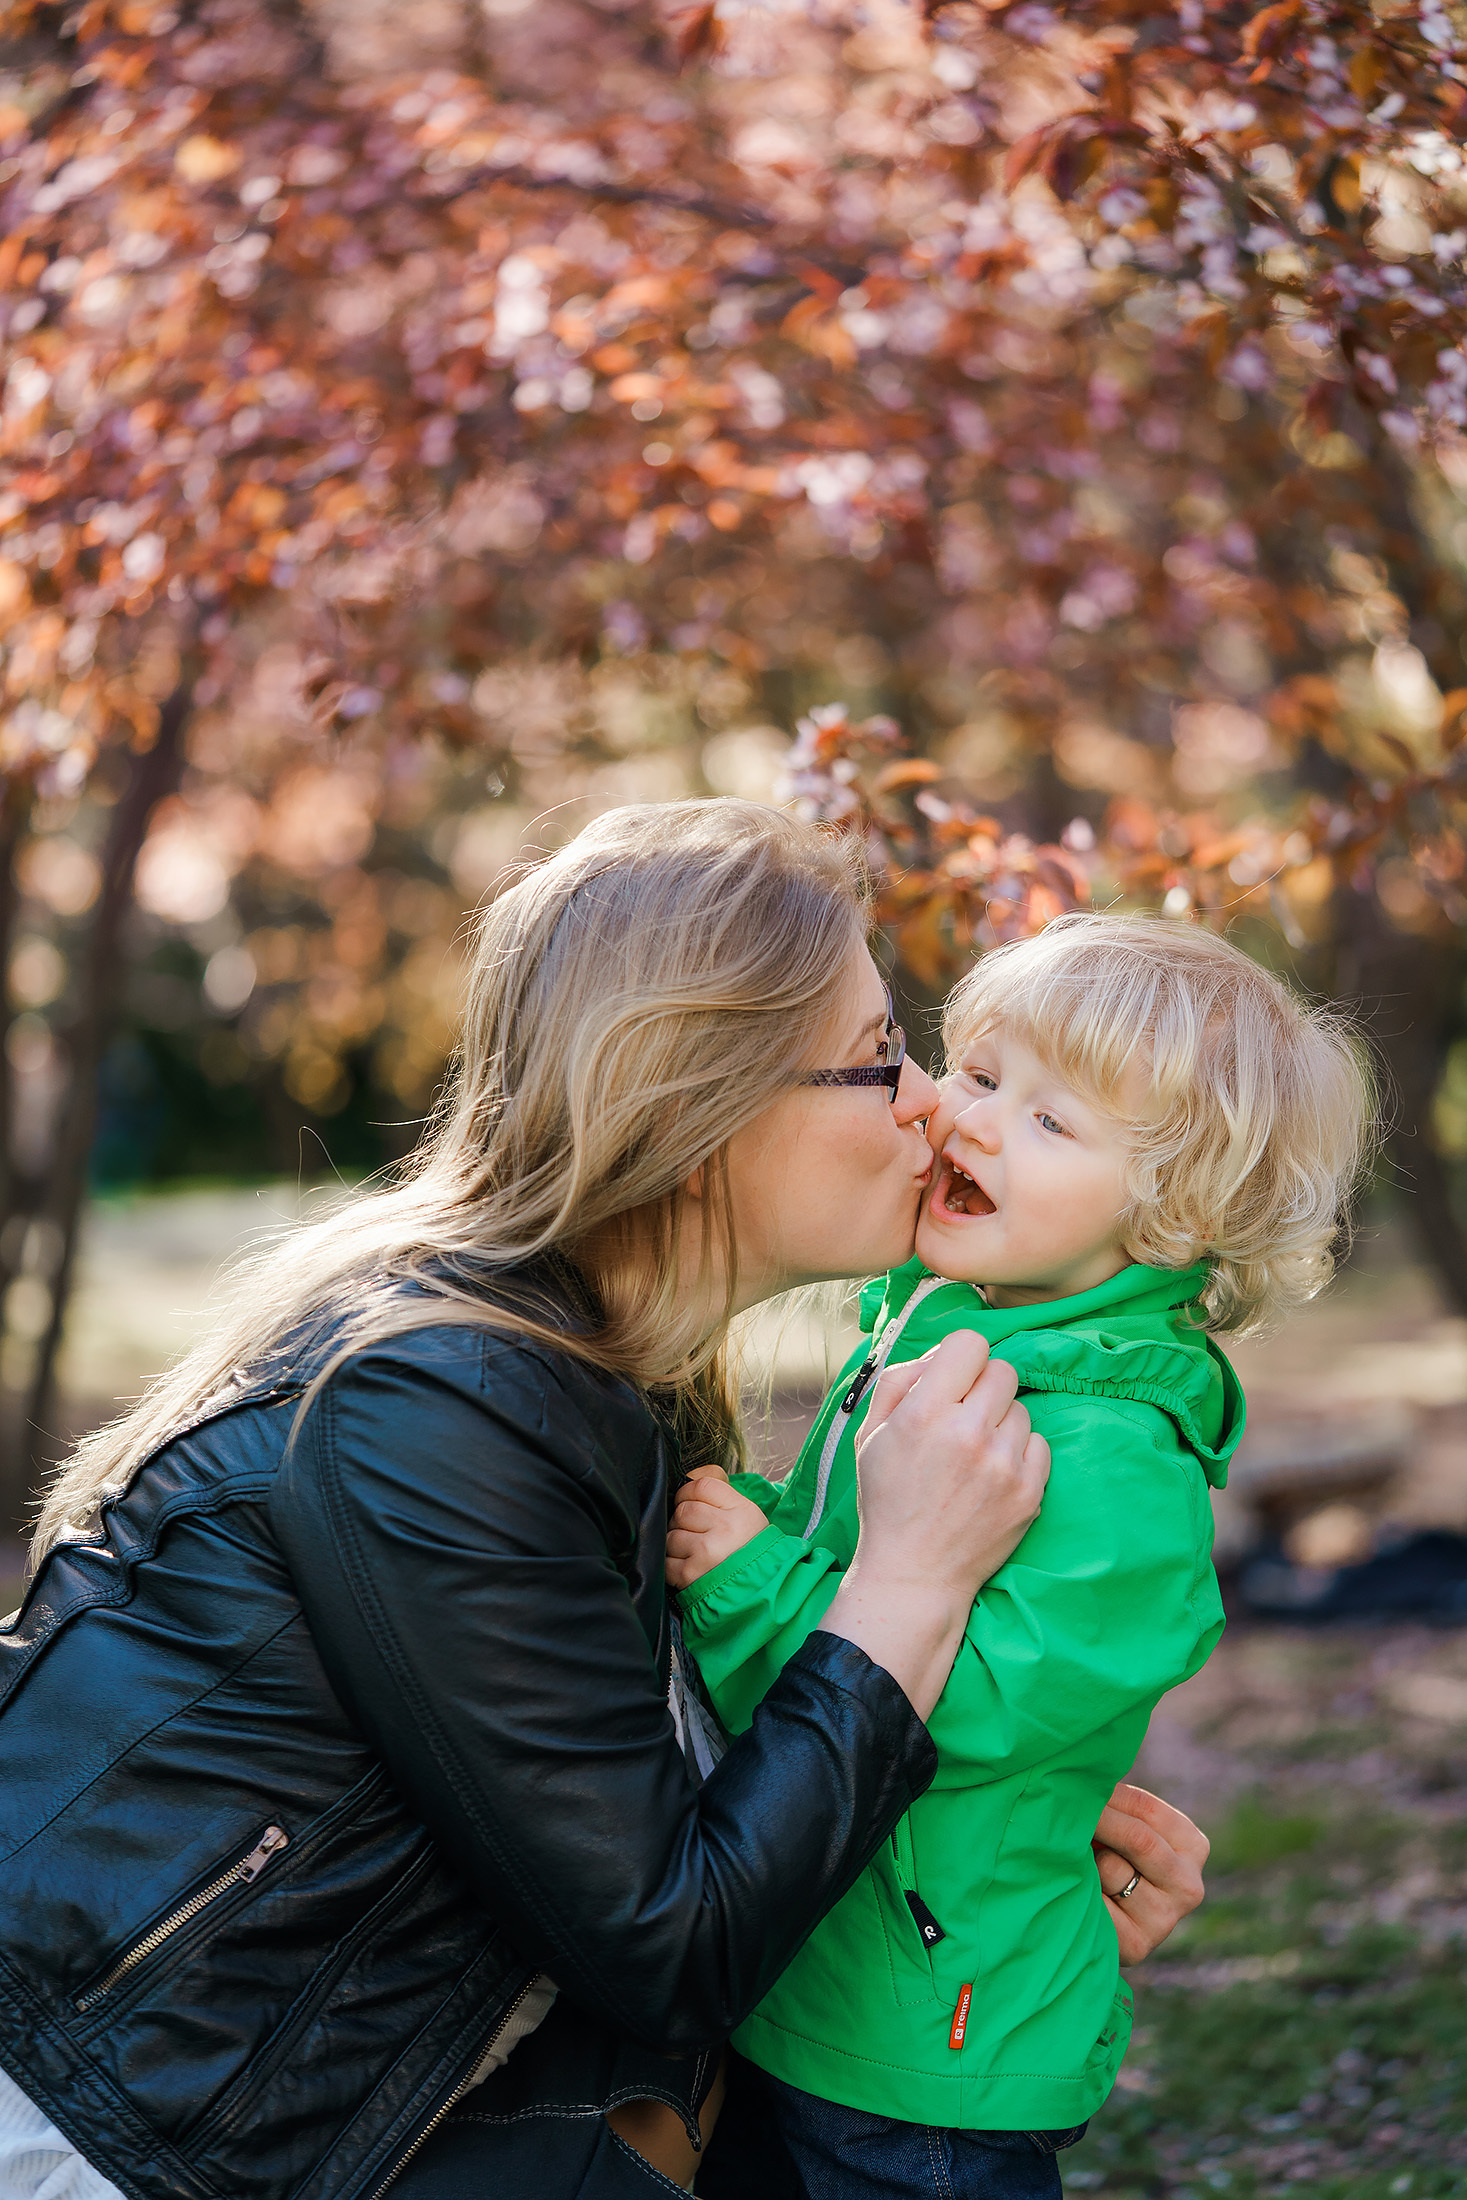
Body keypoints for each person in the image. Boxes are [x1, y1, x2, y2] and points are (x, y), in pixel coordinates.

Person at [0, 808, 1208, 2200]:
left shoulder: (615, 1367)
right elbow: (673, 1942)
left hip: (379, 2072)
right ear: (696, 1116)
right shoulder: (437, 1407)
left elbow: (615, 1792)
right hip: (147, 2144)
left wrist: (968, 1852)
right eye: (881, 1057)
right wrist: (907, 1596)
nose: (931, 1102)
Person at [670, 914, 1374, 2200]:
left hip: (937, 2041)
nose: (976, 1122)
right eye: (984, 1077)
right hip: (822, 1968)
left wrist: (749, 1584)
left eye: (1054, 1122)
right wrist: (769, 1519)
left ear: (1173, 1216)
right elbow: (857, 1539)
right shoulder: (951, 1325)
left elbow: (973, 1705)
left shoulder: (1114, 1456)